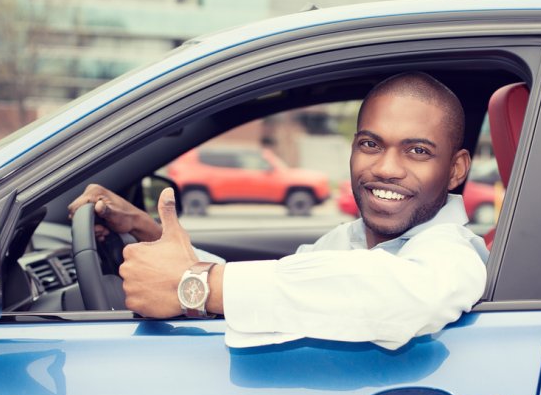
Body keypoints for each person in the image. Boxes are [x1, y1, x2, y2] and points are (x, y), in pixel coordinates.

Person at [68, 71, 488, 350]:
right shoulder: (350, 239)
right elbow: (291, 281)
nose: (386, 169)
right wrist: (146, 230)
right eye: (370, 144)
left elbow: (393, 296)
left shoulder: (454, 255)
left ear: (455, 170)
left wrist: (193, 286)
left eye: (417, 151)